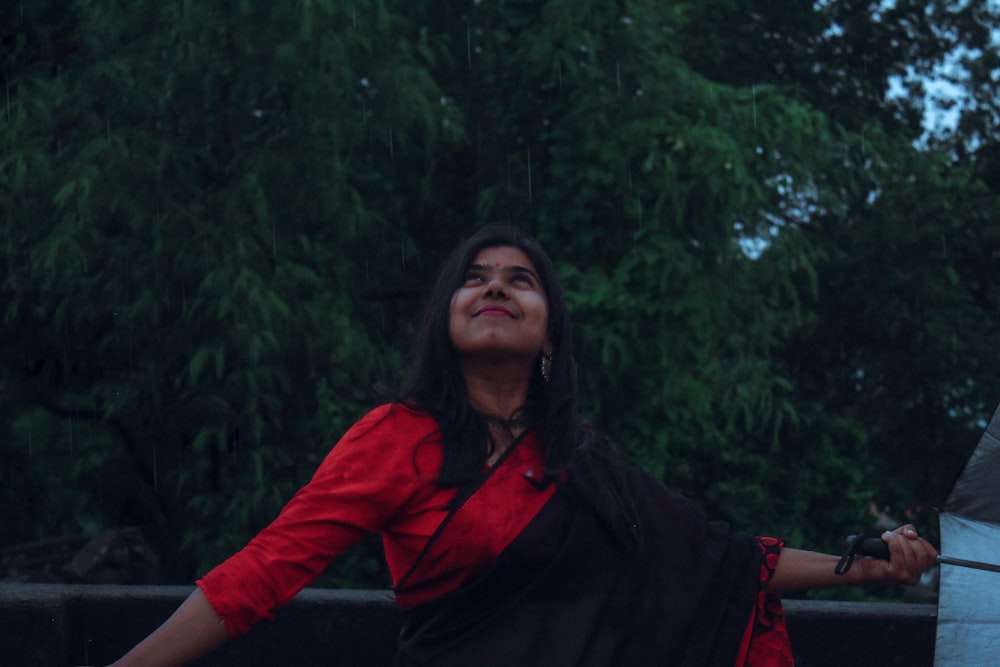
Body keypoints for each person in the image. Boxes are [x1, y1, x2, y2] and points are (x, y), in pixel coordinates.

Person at [108, 226, 937, 667]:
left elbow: (715, 564)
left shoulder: (581, 455)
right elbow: (260, 574)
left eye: (521, 278)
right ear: (446, 320)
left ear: (549, 337)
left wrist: (860, 566)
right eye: (474, 276)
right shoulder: (397, 437)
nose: (496, 284)